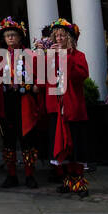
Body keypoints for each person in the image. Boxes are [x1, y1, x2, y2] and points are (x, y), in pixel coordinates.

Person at [43, 18, 90, 195]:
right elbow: (42, 79)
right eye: (57, 36)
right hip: (57, 107)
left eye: (63, 35)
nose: (59, 39)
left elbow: (80, 76)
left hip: (73, 108)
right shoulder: (51, 55)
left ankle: (80, 182)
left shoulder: (78, 56)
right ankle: (68, 181)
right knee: (62, 146)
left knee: (76, 144)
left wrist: (65, 56)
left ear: (70, 38)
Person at [0, 17, 43, 189]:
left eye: (13, 35)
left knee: (27, 140)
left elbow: (40, 77)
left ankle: (30, 175)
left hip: (25, 101)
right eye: (7, 35)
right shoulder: (0, 56)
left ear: (20, 37)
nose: (10, 38)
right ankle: (11, 174)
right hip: (7, 102)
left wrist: (35, 85)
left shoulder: (29, 54)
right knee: (8, 140)